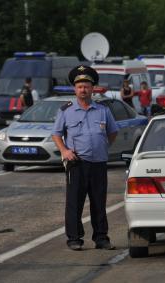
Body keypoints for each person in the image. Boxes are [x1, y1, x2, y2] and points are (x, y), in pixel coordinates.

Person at [51, 65, 119, 251]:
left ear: (92, 88)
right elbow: (56, 134)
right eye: (80, 86)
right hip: (77, 163)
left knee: (99, 201)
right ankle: (74, 238)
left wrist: (103, 146)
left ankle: (101, 238)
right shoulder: (66, 110)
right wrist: (64, 151)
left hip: (98, 162)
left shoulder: (102, 110)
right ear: (75, 89)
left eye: (87, 86)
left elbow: (113, 132)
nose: (83, 89)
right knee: (75, 202)